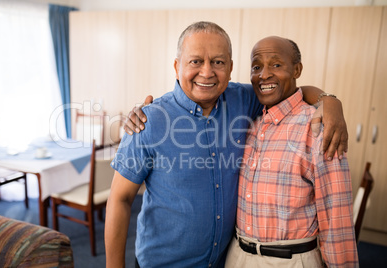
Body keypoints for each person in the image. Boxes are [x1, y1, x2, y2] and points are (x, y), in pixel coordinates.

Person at [105, 21, 348, 268]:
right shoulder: (148, 121)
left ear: (231, 68)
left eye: (218, 62)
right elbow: (120, 199)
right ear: (177, 66)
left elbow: (289, 90)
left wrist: (329, 102)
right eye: (195, 61)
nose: (207, 72)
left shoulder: (244, 100)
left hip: (225, 261)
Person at [224, 36, 358, 267]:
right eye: (257, 66)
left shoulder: (319, 126)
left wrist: (330, 101)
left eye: (276, 65)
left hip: (291, 260)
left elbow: (336, 219)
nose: (264, 74)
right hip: (237, 255)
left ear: (297, 69)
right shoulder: (250, 121)